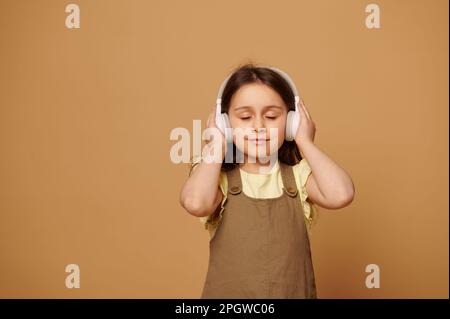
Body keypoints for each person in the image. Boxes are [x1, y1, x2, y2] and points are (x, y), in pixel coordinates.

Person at [180, 63, 355, 298]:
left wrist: (306, 142)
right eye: (245, 117)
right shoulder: (216, 178)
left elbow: (341, 194)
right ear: (225, 123)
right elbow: (195, 202)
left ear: (291, 122)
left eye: (271, 116)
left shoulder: (298, 176)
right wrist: (218, 144)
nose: (259, 127)